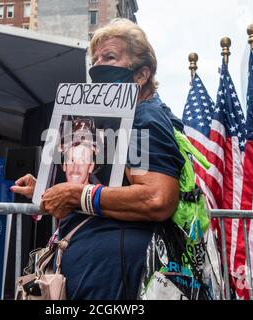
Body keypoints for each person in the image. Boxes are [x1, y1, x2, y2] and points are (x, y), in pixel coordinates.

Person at [11, 18, 185, 300]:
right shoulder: (120, 119)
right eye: (95, 59)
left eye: (110, 57)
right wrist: (49, 187)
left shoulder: (144, 117)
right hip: (96, 268)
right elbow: (110, 190)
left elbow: (156, 198)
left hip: (116, 274)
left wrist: (73, 193)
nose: (97, 66)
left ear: (141, 75)